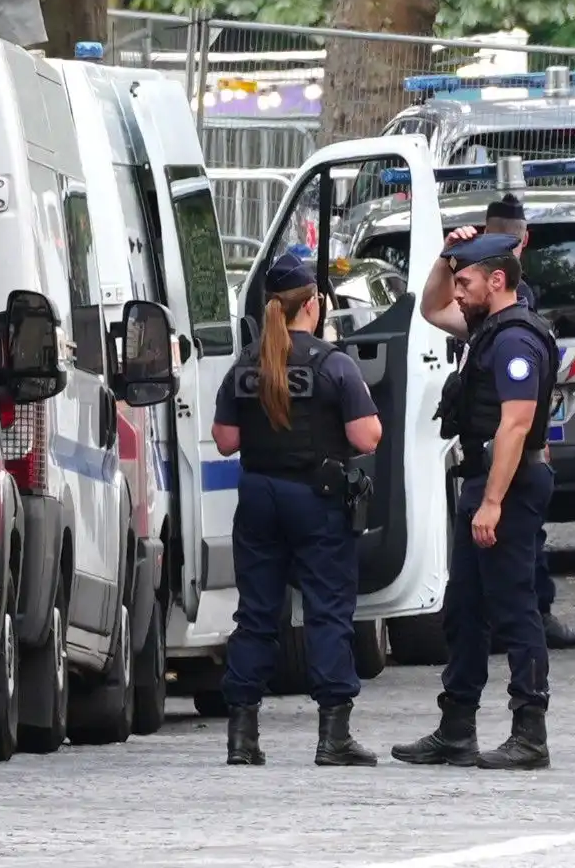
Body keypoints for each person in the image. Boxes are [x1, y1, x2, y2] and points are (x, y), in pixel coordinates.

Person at [212, 253, 383, 767]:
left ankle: (242, 736)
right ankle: (333, 736)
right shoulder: (333, 365)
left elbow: (225, 440)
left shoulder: (246, 365)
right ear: (312, 303)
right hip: (317, 498)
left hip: (260, 497)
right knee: (328, 611)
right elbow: (367, 435)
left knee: (257, 614)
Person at [395, 231, 556, 771]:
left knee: (514, 609)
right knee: (464, 612)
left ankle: (529, 733)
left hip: (503, 487)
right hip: (483, 484)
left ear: (497, 280)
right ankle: (456, 728)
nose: (457, 291)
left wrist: (492, 502)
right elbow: (431, 305)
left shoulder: (513, 340)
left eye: (465, 281)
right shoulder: (487, 329)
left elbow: (515, 425)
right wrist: (445, 255)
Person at [477, 196, 575, 652]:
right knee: (517, 539)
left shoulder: (502, 294)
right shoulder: (506, 294)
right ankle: (524, 622)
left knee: (517, 538)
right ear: (526, 240)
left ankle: (523, 621)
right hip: (503, 438)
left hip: (501, 437)